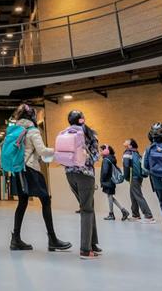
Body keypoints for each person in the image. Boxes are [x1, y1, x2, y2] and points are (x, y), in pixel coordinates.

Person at [9, 104, 71, 252]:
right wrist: (58, 152)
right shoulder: (33, 131)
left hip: (18, 170)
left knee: (22, 203)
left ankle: (15, 239)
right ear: (32, 116)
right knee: (45, 200)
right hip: (30, 170)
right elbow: (42, 150)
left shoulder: (16, 130)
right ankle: (52, 239)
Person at [62, 110, 102, 260]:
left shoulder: (66, 133)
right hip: (85, 175)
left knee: (87, 205)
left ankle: (93, 243)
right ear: (82, 120)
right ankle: (85, 249)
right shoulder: (89, 133)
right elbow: (95, 156)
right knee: (87, 209)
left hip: (69, 174)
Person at [122, 139, 155, 223]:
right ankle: (136, 215)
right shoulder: (136, 153)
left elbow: (126, 166)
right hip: (138, 177)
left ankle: (148, 216)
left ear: (130, 145)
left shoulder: (127, 153)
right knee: (133, 195)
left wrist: (126, 177)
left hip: (133, 177)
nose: (125, 141)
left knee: (138, 196)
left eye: (127, 141)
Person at [100, 145, 129, 221]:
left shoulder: (106, 160)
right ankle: (122, 211)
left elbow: (105, 171)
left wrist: (102, 180)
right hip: (111, 181)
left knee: (110, 197)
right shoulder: (112, 158)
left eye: (101, 150)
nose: (100, 152)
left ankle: (113, 213)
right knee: (110, 197)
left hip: (108, 181)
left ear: (106, 151)